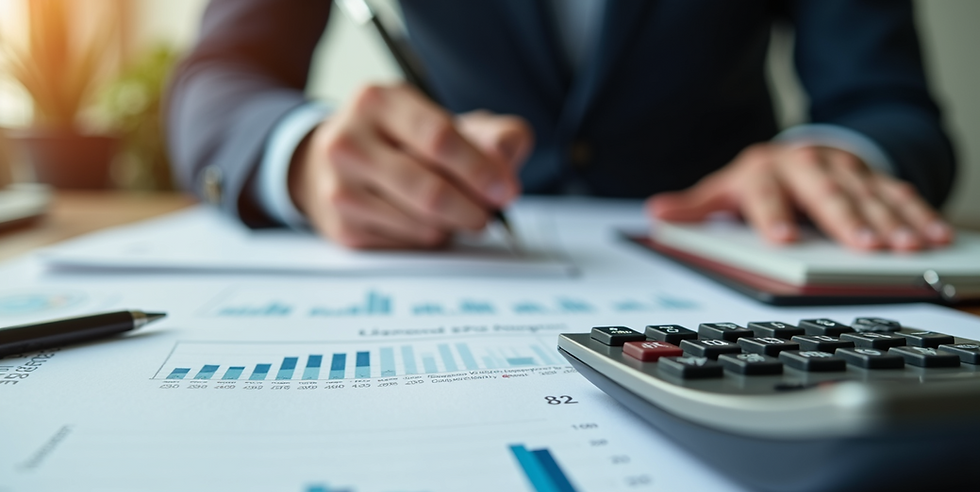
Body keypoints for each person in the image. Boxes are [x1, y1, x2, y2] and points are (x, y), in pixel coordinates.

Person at [167, 0, 956, 251]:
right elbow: (220, 76)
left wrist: (831, 157)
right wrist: (300, 153)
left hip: (736, 253)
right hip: (460, 248)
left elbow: (888, 102)